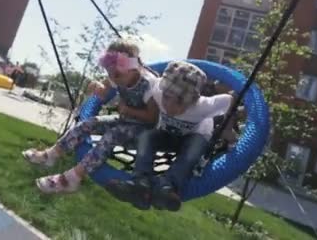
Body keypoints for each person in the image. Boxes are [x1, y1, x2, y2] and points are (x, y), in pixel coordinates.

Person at [22, 39, 159, 193]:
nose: (114, 79)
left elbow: (153, 119)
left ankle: (72, 178)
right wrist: (97, 86)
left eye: (116, 75)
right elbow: (106, 86)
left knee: (112, 134)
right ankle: (51, 155)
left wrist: (128, 110)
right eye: (109, 73)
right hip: (124, 121)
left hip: (144, 132)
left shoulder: (149, 84)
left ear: (133, 67)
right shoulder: (118, 75)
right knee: (88, 123)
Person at [106, 61, 238, 211]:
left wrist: (227, 129)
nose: (170, 105)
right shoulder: (157, 89)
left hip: (192, 138)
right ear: (163, 90)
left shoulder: (203, 105)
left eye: (180, 102)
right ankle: (141, 182)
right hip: (166, 135)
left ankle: (167, 186)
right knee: (147, 137)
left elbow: (232, 100)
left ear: (193, 100)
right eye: (167, 97)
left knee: (195, 147)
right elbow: (134, 74)